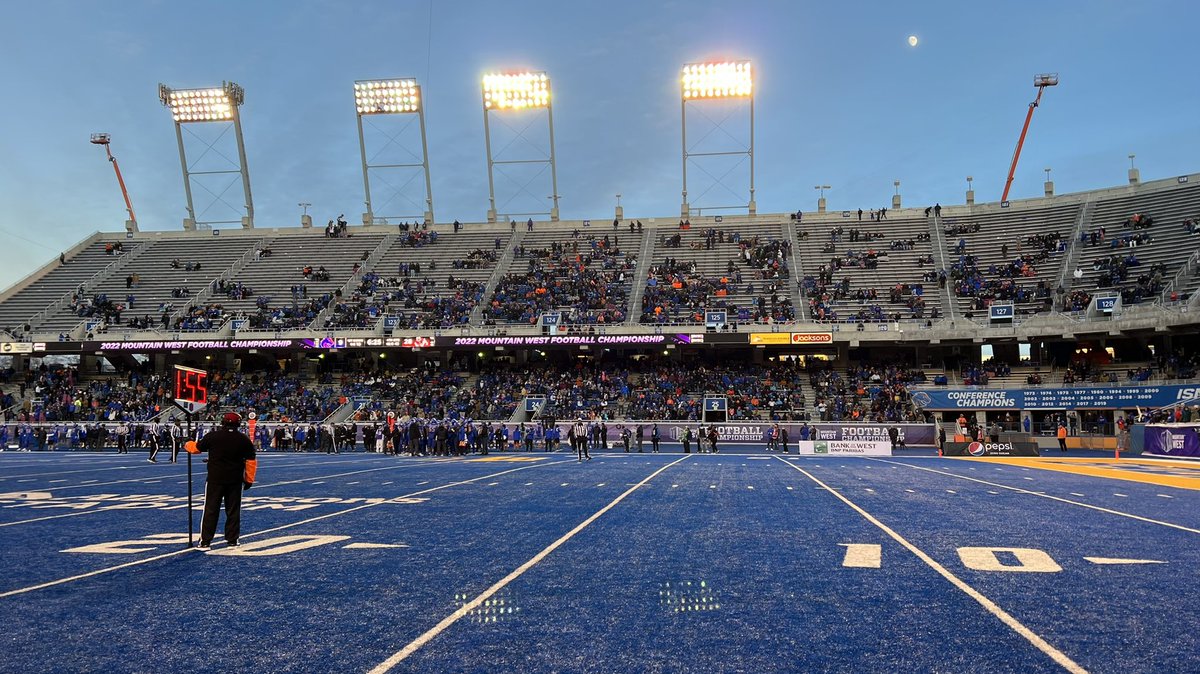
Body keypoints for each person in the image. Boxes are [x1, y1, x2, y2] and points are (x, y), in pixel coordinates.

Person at [186, 412, 257, 548]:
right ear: (238, 424)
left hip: (215, 479)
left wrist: (187, 443)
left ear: (222, 423)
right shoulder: (243, 439)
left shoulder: (213, 436)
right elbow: (251, 461)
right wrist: (249, 479)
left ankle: (206, 541)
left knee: (210, 509)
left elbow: (196, 449)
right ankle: (232, 539)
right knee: (233, 511)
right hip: (235, 480)